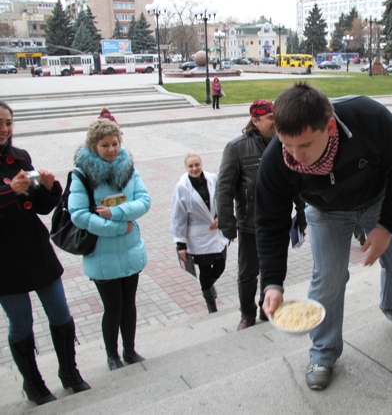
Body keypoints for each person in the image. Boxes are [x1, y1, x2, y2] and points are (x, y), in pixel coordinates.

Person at [256, 83, 392, 391]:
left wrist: (386, 227)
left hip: (378, 199)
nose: (295, 156)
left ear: (329, 127)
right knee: (328, 277)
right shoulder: (277, 159)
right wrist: (273, 283)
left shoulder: (369, 118)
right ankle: (323, 353)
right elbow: (270, 222)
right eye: (287, 145)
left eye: (304, 145)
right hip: (325, 210)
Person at [0, 101, 90, 405]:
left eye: (9, 123)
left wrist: (50, 189)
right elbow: (12, 195)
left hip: (35, 248)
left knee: (61, 313)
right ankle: (34, 384)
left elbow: (37, 206)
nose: (4, 129)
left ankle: (69, 373)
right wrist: (9, 192)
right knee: (21, 323)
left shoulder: (20, 157)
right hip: (4, 260)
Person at [68, 110, 151, 371]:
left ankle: (129, 350)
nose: (111, 149)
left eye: (115, 143)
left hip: (130, 251)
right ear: (94, 145)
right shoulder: (82, 175)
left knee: (129, 305)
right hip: (102, 255)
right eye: (105, 145)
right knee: (113, 307)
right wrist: (117, 228)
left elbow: (144, 201)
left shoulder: (129, 168)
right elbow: (79, 215)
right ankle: (112, 354)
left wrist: (115, 213)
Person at [217, 99, 306, 331]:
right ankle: (247, 314)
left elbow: (295, 182)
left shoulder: (286, 143)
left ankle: (268, 309)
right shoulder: (236, 148)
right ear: (255, 121)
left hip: (279, 222)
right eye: (270, 118)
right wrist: (228, 224)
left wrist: (302, 212)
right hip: (250, 224)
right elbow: (224, 190)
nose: (276, 123)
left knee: (272, 268)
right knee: (248, 273)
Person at [171, 152, 229, 313]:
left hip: (216, 232)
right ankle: (211, 303)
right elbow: (178, 217)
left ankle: (209, 287)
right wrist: (180, 244)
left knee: (220, 265)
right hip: (198, 238)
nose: (194, 168)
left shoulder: (213, 179)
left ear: (201, 164)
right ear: (186, 167)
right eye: (191, 166)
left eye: (197, 165)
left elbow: (223, 199)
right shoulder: (181, 188)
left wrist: (221, 217)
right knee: (204, 270)